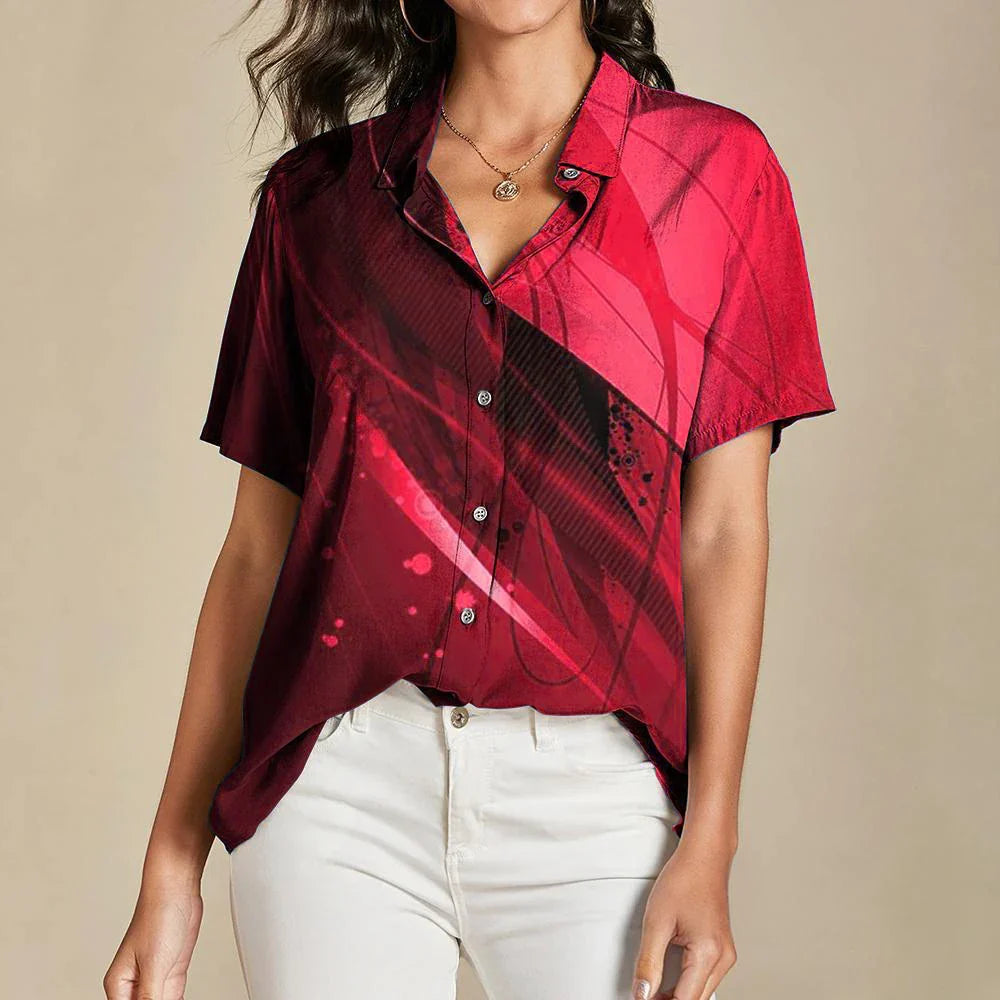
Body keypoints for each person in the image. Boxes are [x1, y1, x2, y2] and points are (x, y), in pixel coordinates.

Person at [103, 0, 836, 998]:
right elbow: (255, 554)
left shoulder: (712, 174)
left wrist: (712, 836)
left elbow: (722, 532)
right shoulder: (317, 201)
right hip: (339, 790)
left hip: (596, 798)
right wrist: (172, 859)